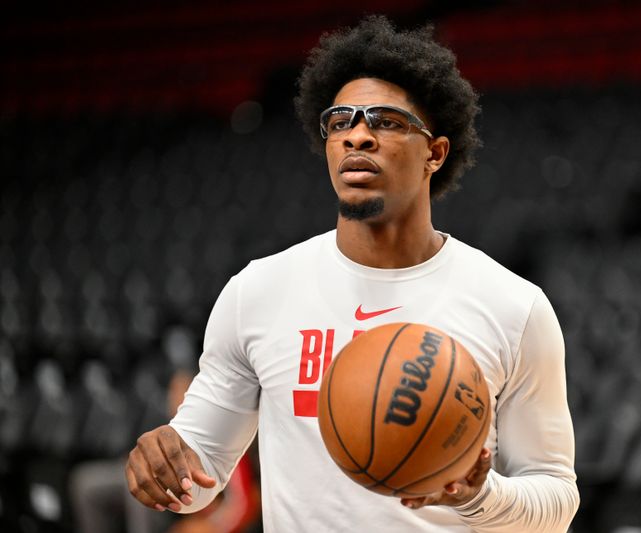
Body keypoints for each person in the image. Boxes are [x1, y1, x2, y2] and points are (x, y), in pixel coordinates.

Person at [126, 15, 579, 532]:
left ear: (435, 152)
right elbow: (196, 480)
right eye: (341, 121)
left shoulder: (514, 306)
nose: (356, 136)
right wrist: (163, 468)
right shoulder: (257, 292)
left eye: (385, 121)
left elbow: (556, 503)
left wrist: (478, 494)